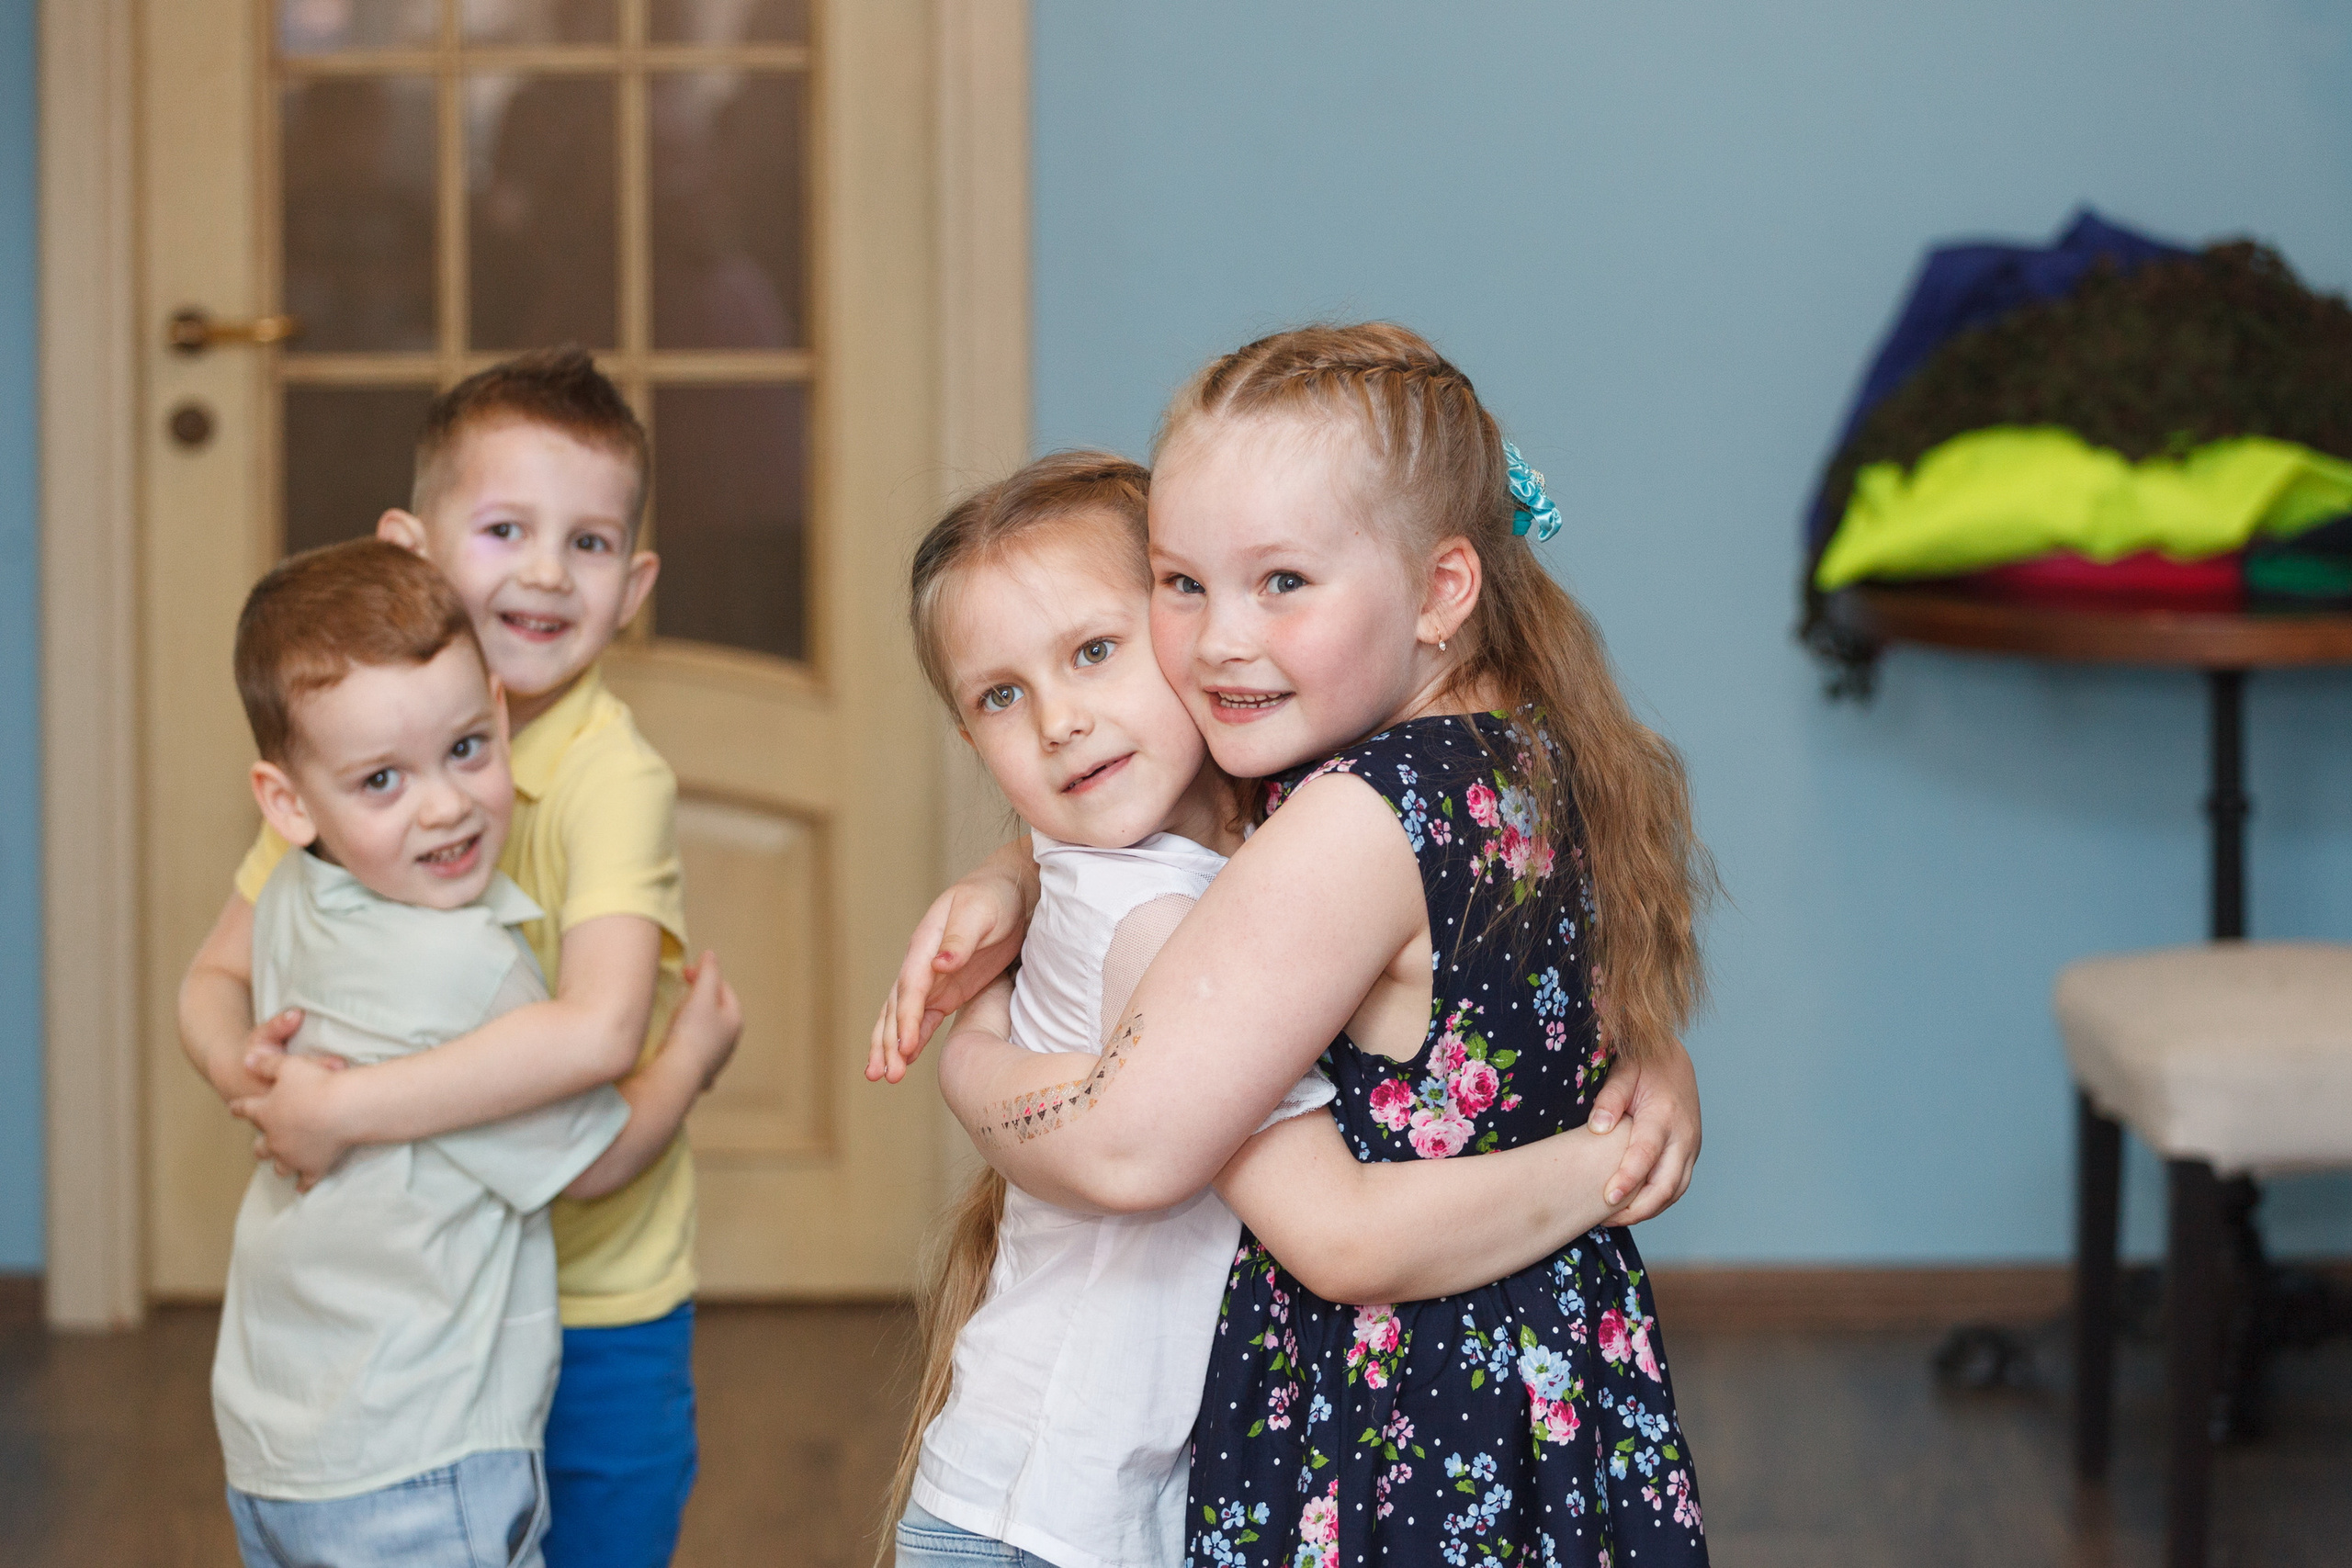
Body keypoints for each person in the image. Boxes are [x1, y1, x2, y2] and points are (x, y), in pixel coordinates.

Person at [878, 324, 1714, 1565]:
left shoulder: (1346, 819)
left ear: (1439, 590)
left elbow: (1133, 1147)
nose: (1220, 639)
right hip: (1546, 1381)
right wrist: (1018, 873)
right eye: (1184, 583)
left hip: (1397, 1420)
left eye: (1282, 583)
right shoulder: (1529, 751)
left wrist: (969, 1054)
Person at [181, 349, 724, 1568]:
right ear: (410, 548)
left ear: (632, 584)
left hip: (592, 1291)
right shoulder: (350, 757)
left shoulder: (607, 776)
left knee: (595, 1532)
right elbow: (215, 978)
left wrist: (342, 1110)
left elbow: (591, 1031)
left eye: (587, 543)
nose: (544, 570)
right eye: (502, 529)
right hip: (418, 1315)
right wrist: (258, 1083)